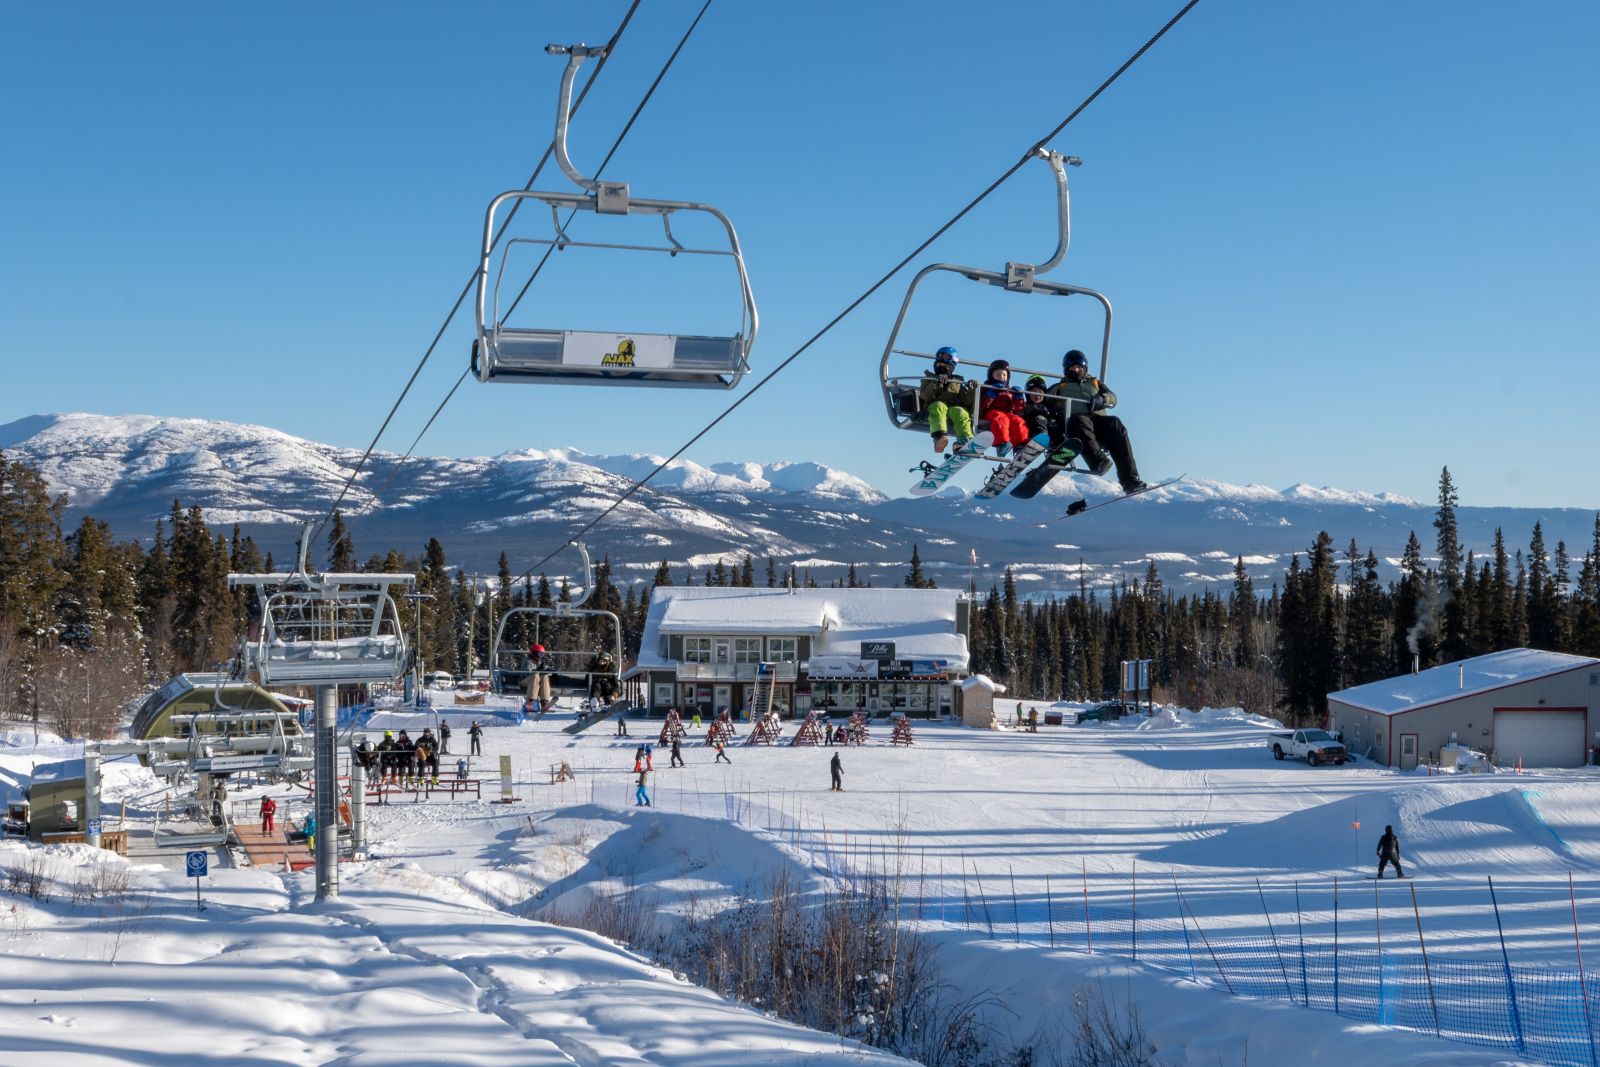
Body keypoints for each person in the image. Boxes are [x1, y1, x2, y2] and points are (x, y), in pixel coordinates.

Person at [1047, 350, 1146, 493]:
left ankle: (1130, 481)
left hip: (1097, 421)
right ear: (1066, 369)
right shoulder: (1058, 387)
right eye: (1072, 367)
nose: (1075, 370)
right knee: (1080, 420)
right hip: (1074, 424)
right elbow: (1043, 401)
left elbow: (1112, 397)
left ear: (1085, 368)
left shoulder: (1095, 383)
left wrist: (1103, 399)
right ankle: (1098, 461)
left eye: (1079, 367)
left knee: (1115, 423)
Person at [917, 346, 977, 454]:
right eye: (939, 365)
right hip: (934, 407)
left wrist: (972, 390)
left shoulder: (957, 381)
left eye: (945, 366)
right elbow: (925, 395)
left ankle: (964, 441)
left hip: (952, 409)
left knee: (961, 412)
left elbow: (966, 401)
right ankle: (940, 437)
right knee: (939, 406)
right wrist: (936, 383)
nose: (942, 368)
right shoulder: (929, 378)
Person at [979, 359, 1029, 458]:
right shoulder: (986, 387)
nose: (1001, 377)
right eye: (998, 375)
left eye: (1004, 375)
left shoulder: (1009, 390)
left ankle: (1020, 445)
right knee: (1001, 418)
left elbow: (1019, 410)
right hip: (991, 412)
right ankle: (1001, 444)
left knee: (1017, 420)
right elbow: (982, 405)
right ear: (991, 376)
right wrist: (991, 395)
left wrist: (1018, 397)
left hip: (1008, 412)